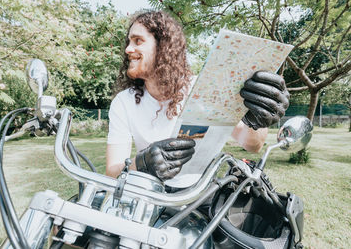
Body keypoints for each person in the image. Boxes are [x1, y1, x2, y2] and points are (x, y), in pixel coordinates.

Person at [106, 11, 289, 181]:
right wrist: (142, 163)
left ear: (163, 47)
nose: (128, 50)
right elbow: (113, 172)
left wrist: (256, 119)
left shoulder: (203, 88)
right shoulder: (123, 102)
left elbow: (253, 145)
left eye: (138, 41)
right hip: (151, 193)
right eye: (129, 42)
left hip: (202, 195)